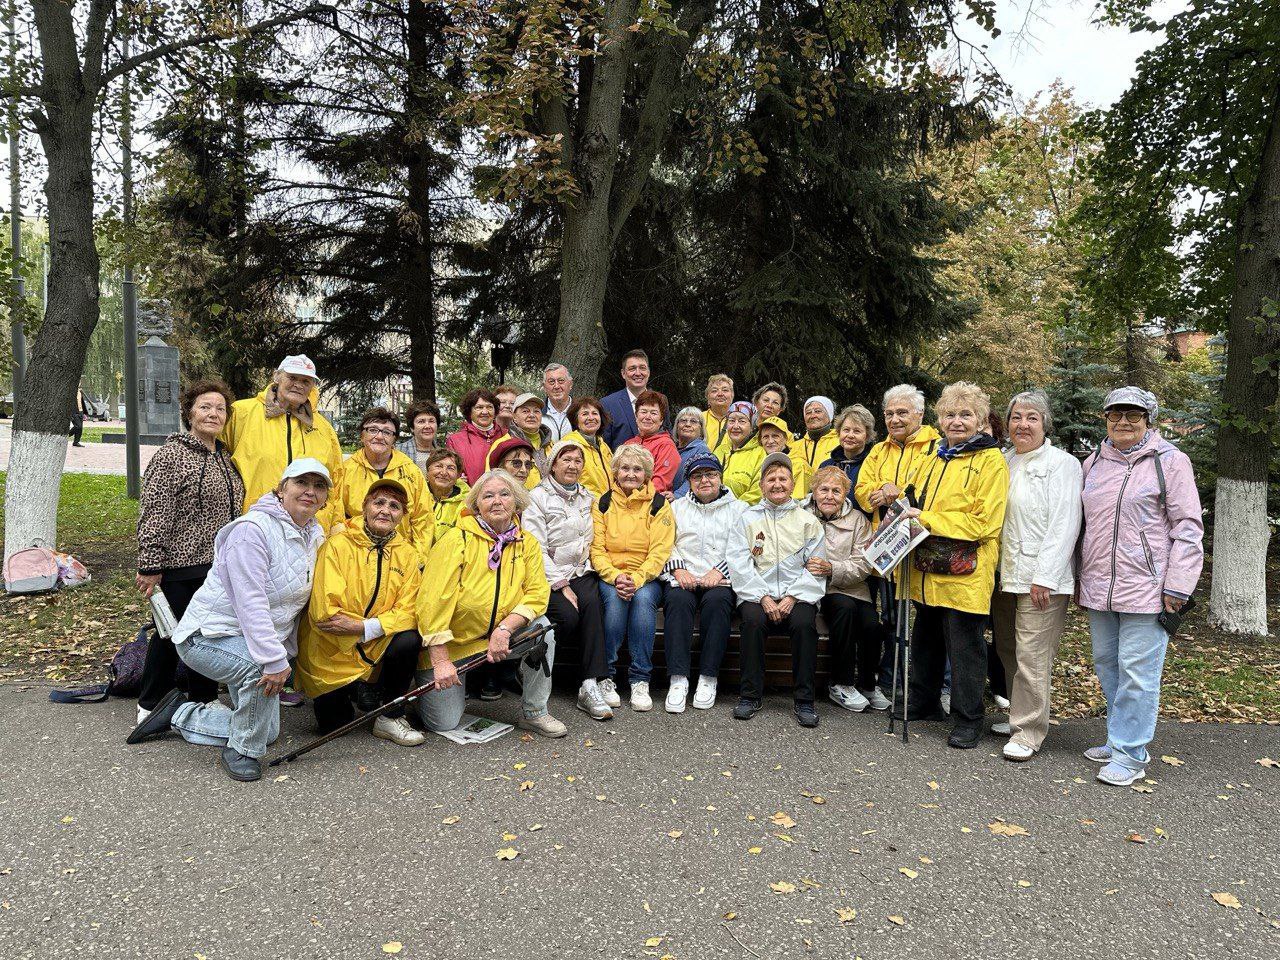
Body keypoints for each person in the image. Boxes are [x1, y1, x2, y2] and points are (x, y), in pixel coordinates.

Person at [127, 459, 331, 783]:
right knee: (257, 673)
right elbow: (251, 601)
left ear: (325, 498)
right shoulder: (253, 531)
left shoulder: (313, 536)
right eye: (301, 482)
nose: (310, 491)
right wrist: (274, 659)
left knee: (269, 731)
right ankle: (241, 751)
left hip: (249, 643)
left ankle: (180, 714)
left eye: (319, 486)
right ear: (281, 489)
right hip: (206, 637)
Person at [1078, 386, 1203, 786]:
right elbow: (1080, 524)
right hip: (1099, 584)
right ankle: (1119, 740)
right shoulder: (1094, 461)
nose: (1124, 422)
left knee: (1138, 672)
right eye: (1116, 415)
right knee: (1108, 664)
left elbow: (1188, 527)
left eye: (1133, 415)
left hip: (1149, 587)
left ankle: (1131, 754)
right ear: (1106, 419)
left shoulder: (1171, 462)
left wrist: (1179, 586)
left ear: (1149, 420)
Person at [414, 469, 567, 738]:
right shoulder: (455, 540)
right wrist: (440, 661)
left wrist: (506, 628)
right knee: (443, 723)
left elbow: (537, 594)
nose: (497, 501)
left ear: (516, 503)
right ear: (476, 506)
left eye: (504, 494)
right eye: (488, 496)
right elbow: (431, 603)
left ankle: (534, 712)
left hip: (500, 637)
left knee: (544, 631)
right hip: (454, 646)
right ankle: (420, 690)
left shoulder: (527, 543)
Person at [898, 382, 1008, 750]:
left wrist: (926, 518)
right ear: (939, 419)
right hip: (928, 570)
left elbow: (985, 523)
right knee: (926, 640)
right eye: (950, 414)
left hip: (966, 571)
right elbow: (915, 497)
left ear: (980, 420)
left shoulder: (990, 460)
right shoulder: (935, 456)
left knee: (965, 648)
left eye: (965, 415)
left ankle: (968, 718)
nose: (956, 421)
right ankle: (924, 701)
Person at [133, 380, 246, 726]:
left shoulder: (225, 456)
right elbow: (155, 510)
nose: (213, 413)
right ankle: (149, 704)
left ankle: (204, 698)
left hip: (216, 566)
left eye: (220, 408)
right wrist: (150, 563)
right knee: (173, 634)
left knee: (209, 634)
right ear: (189, 413)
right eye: (205, 407)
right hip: (179, 565)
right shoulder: (172, 455)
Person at [295, 478, 425, 746]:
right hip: (333, 650)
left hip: (374, 642)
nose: (385, 510)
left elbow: (411, 610)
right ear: (364, 506)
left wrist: (366, 627)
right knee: (334, 726)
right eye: (378, 502)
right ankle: (357, 688)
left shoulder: (408, 555)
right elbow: (326, 615)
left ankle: (391, 714)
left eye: (394, 506)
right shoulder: (337, 546)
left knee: (409, 639)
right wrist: (379, 625)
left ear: (402, 516)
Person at [991, 391, 1082, 763]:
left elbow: (1065, 523)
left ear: (1045, 424)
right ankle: (1019, 713)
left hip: (1040, 578)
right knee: (1008, 648)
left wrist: (1045, 575)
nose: (1022, 424)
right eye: (1016, 417)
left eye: (1031, 418)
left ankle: (1028, 731)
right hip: (1002, 574)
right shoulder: (1002, 460)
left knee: (1032, 654)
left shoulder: (1063, 464)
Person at [727, 453, 828, 727]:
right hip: (757, 594)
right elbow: (739, 563)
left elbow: (816, 566)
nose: (777, 484)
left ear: (793, 484)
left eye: (783, 478)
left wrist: (794, 596)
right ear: (762, 485)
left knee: (805, 624)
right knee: (752, 621)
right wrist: (763, 597)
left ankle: (805, 701)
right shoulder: (747, 519)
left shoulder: (808, 521)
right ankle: (750, 696)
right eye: (770, 479)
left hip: (799, 594)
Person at [523, 442, 612, 721]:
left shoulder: (589, 497)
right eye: (566, 460)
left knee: (593, 606)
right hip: (548, 573)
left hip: (581, 570)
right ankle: (530, 671)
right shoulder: (537, 497)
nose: (572, 466)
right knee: (568, 617)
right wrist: (560, 584)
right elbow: (534, 546)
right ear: (553, 464)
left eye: (577, 461)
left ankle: (589, 684)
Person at [591, 445, 676, 712]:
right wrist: (616, 577)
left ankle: (640, 679)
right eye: (625, 468)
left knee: (641, 603)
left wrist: (637, 578)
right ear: (616, 471)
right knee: (615, 605)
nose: (630, 474)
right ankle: (606, 676)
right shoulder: (602, 503)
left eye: (637, 469)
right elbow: (596, 549)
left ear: (647, 473)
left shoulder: (659, 505)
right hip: (611, 575)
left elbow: (660, 551)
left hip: (646, 576)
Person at [662, 451, 747, 713]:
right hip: (683, 576)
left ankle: (708, 678)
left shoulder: (740, 509)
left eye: (710, 474)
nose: (704, 480)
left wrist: (720, 571)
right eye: (697, 476)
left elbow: (743, 548)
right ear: (688, 481)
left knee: (718, 604)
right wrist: (678, 570)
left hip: (719, 580)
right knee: (676, 602)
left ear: (720, 478)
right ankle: (678, 679)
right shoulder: (676, 508)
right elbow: (664, 544)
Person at [222, 354, 345, 531]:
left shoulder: (324, 429)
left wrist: (336, 524)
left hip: (309, 530)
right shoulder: (241, 413)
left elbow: (337, 481)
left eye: (306, 381)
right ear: (277, 377)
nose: (298, 385)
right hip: (256, 527)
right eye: (292, 377)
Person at [803, 466, 887, 712]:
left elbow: (863, 563)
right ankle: (841, 683)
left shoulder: (857, 520)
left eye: (836, 491)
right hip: (817, 590)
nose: (830, 496)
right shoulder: (802, 515)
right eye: (824, 489)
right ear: (814, 491)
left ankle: (868, 684)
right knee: (844, 609)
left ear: (845, 495)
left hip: (851, 586)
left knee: (872, 624)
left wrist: (832, 568)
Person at [339, 408, 433, 556]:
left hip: (400, 556)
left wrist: (418, 557)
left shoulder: (411, 472)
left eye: (387, 432)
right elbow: (337, 516)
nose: (379, 436)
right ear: (362, 436)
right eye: (373, 430)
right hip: (355, 555)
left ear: (394, 439)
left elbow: (423, 519)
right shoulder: (345, 471)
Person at [854, 384, 942, 519]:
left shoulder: (938, 448)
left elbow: (935, 495)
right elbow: (860, 492)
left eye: (902, 413)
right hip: (882, 535)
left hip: (921, 533)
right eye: (889, 414)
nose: (894, 420)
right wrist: (883, 486)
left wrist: (894, 495)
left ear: (920, 414)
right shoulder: (878, 450)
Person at [488, 392, 553, 487]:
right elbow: (491, 479)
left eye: (536, 411)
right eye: (525, 411)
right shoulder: (502, 445)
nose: (532, 415)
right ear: (514, 417)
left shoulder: (551, 444)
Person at [622, 390, 681, 495]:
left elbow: (659, 484)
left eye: (653, 413)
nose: (647, 417)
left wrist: (633, 497)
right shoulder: (628, 444)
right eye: (643, 412)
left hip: (648, 503)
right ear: (636, 417)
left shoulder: (666, 445)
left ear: (661, 420)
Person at [821, 404, 876, 509]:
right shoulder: (826, 466)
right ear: (839, 432)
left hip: (862, 523)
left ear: (867, 436)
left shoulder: (873, 466)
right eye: (846, 430)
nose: (850, 435)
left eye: (857, 431)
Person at [446, 388, 500, 484]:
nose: (485, 412)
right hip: (470, 496)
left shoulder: (506, 435)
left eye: (489, 407)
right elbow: (450, 471)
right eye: (479, 407)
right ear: (469, 412)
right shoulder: (455, 441)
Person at [601, 349, 653, 448]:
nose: (638, 373)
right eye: (632, 369)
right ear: (623, 373)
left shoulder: (660, 401)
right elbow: (604, 446)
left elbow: (667, 437)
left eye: (642, 368)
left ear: (648, 372)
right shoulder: (608, 404)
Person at [563, 397, 614, 497]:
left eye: (595, 413)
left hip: (608, 507)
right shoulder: (569, 445)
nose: (591, 418)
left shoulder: (603, 446)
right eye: (585, 414)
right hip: (583, 506)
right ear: (576, 420)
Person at [793, 396, 840, 498]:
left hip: (830, 498)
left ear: (829, 415)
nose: (813, 415)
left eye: (818, 411)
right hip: (798, 504)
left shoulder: (840, 442)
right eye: (808, 412)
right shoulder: (795, 446)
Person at [721, 401, 766, 505]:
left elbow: (758, 491)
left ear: (752, 426)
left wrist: (732, 510)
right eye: (731, 421)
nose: (735, 426)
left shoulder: (760, 453)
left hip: (744, 515)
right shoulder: (719, 450)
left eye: (742, 421)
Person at [423, 449, 469, 541]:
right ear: (428, 472)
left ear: (458, 476)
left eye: (450, 468)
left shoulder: (467, 504)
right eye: (439, 466)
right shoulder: (416, 497)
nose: (444, 473)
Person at [672, 406, 714, 498]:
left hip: (683, 503)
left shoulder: (702, 450)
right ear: (677, 425)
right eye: (683, 421)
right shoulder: (671, 447)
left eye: (693, 421)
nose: (687, 424)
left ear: (701, 428)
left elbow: (698, 477)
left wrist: (676, 496)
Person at [397, 400, 442, 475]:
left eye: (431, 421)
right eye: (421, 421)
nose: (427, 426)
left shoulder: (443, 454)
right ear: (412, 428)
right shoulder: (398, 451)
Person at [702, 374, 735, 459]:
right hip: (704, 468)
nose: (720, 394)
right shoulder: (699, 419)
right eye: (714, 391)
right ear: (708, 397)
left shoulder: (740, 421)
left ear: (732, 396)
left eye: (725, 390)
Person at [541, 363, 575, 442]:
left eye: (561, 381)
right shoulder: (537, 413)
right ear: (544, 387)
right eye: (551, 382)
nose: (556, 386)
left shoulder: (581, 411)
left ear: (570, 384)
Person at [69, 380, 89, 446]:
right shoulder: (71, 391)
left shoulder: (80, 391)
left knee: (80, 428)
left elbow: (82, 402)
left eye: (80, 382)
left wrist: (84, 413)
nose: (79, 383)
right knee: (78, 426)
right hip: (74, 412)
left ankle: (76, 442)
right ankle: (67, 435)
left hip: (80, 411)